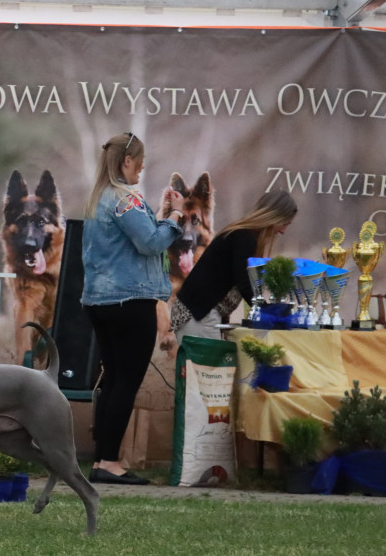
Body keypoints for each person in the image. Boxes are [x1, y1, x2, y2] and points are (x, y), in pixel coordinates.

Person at [81, 132, 184, 485]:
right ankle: (110, 461)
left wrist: (161, 213)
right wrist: (177, 217)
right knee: (126, 381)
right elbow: (150, 243)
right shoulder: (125, 200)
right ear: (127, 162)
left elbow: (136, 236)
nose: (141, 170)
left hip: (99, 301)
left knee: (112, 380)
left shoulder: (100, 199)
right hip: (129, 302)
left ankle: (101, 460)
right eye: (139, 163)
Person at [171, 190, 298, 340]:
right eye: (284, 223)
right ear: (273, 216)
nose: (283, 231)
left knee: (209, 363)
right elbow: (243, 282)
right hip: (199, 315)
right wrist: (266, 310)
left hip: (200, 313)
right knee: (208, 364)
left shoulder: (243, 235)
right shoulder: (244, 237)